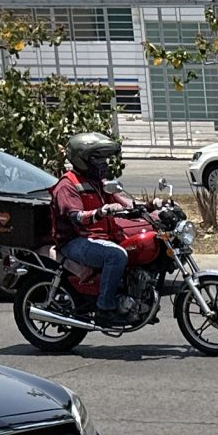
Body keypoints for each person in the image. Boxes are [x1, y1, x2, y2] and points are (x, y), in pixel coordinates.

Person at [51, 131, 134, 320]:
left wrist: (154, 205)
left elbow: (125, 203)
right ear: (82, 159)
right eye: (98, 159)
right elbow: (76, 217)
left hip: (98, 238)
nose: (103, 164)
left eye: (104, 159)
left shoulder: (98, 183)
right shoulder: (67, 185)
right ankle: (105, 307)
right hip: (74, 241)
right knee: (115, 255)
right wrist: (101, 212)